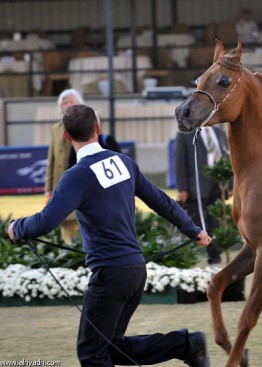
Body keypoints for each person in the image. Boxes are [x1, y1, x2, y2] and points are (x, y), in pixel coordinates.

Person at [8, 104, 212, 367]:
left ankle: (188, 345)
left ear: (66, 137)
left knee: (92, 354)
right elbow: (161, 201)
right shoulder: (124, 162)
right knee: (112, 347)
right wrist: (193, 230)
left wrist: (17, 228)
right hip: (135, 271)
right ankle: (187, 345)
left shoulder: (76, 176)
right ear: (98, 129)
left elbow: (47, 221)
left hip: (109, 275)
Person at [174, 126, 228, 265]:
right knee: (196, 222)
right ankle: (192, 255)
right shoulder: (185, 134)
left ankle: (215, 255)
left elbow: (228, 157)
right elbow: (179, 162)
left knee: (216, 222)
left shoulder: (220, 133)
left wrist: (231, 182)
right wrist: (182, 188)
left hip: (218, 186)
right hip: (196, 187)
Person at [46, 89, 85, 243]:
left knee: (77, 219)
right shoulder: (55, 129)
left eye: (72, 102)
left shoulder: (85, 125)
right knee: (63, 219)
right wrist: (48, 188)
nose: (68, 105)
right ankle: (69, 253)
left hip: (78, 181)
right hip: (59, 182)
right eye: (65, 103)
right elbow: (52, 159)